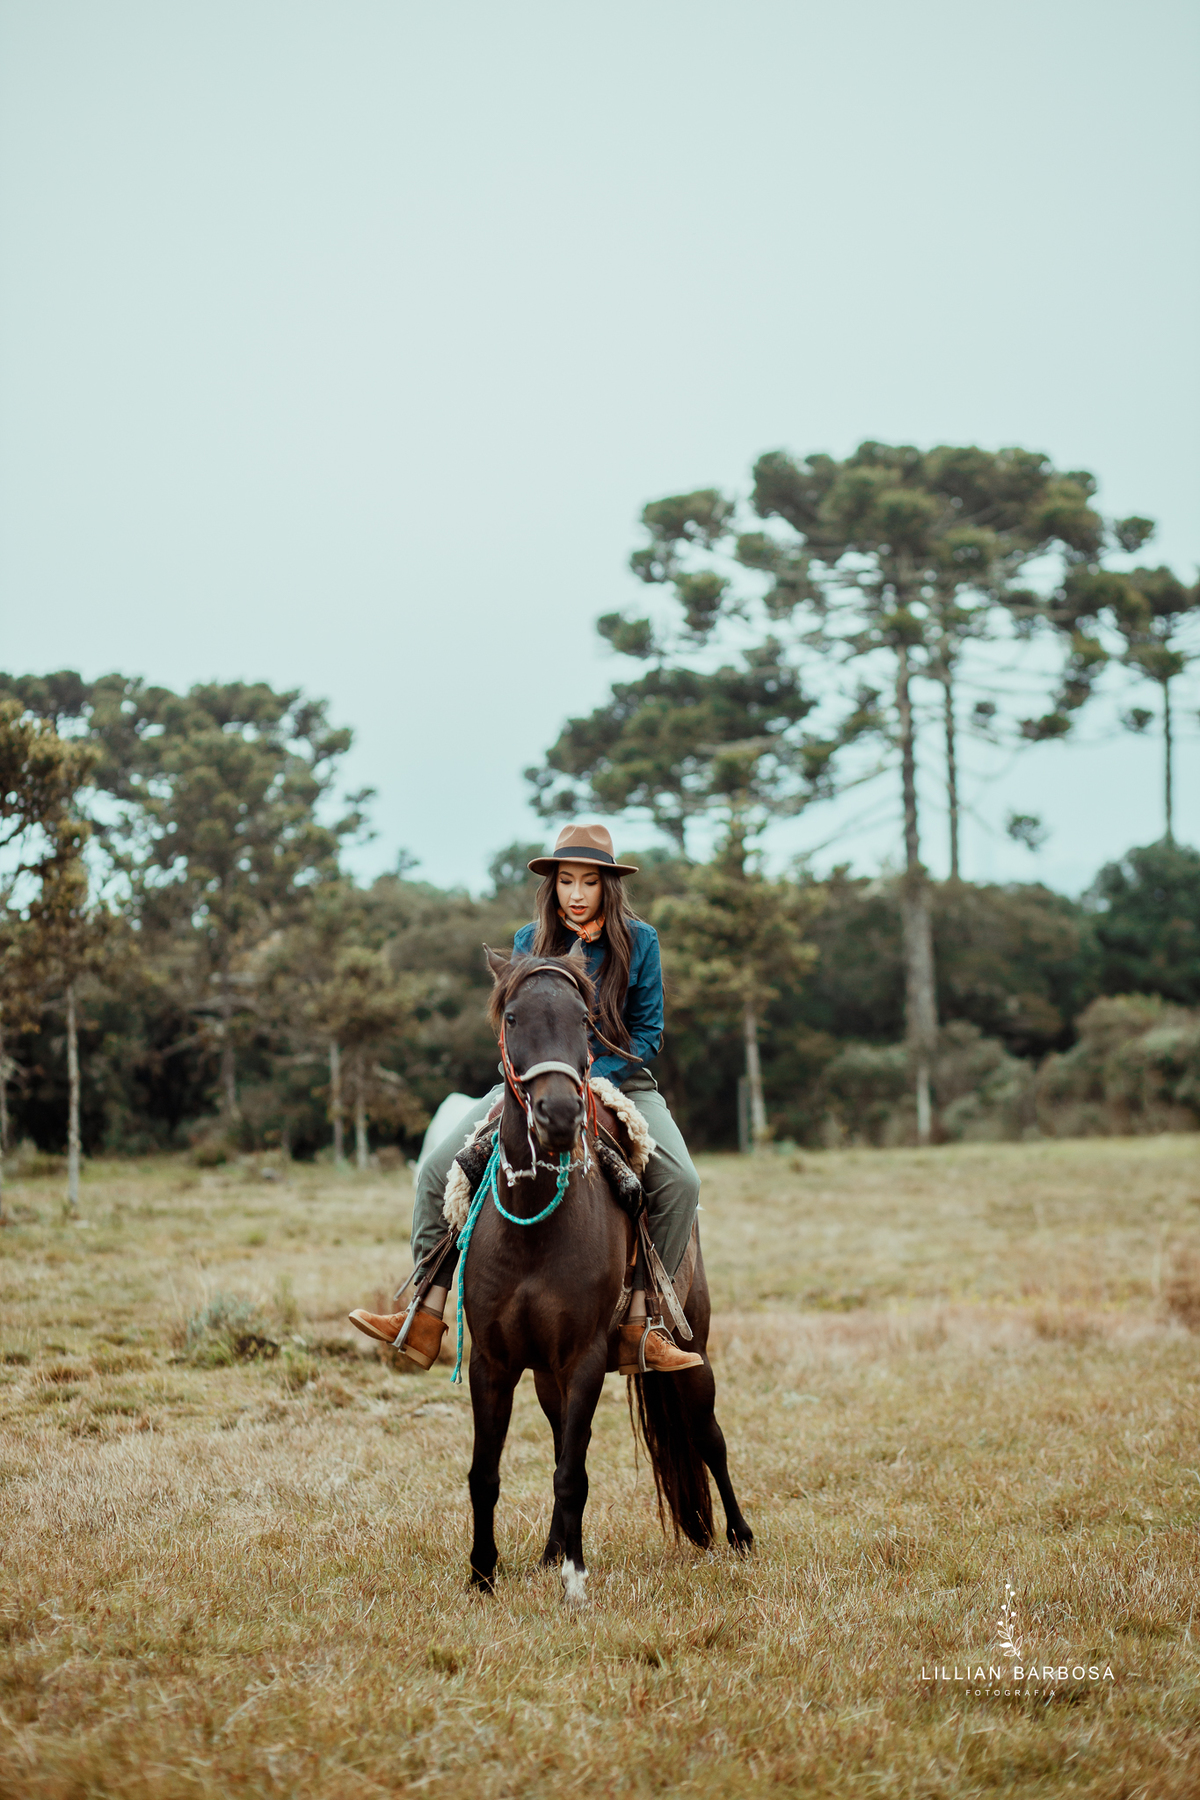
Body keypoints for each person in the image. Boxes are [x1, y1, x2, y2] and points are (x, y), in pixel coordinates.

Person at [349, 823, 703, 1374]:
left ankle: (647, 1321)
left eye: (590, 881)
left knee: (682, 1181)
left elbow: (648, 1032)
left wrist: (589, 1075)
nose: (578, 893)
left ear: (609, 884)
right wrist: (538, 1076)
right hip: (529, 1085)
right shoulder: (527, 942)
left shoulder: (642, 940)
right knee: (436, 1170)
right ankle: (424, 1308)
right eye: (567, 881)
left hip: (622, 1080)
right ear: (553, 885)